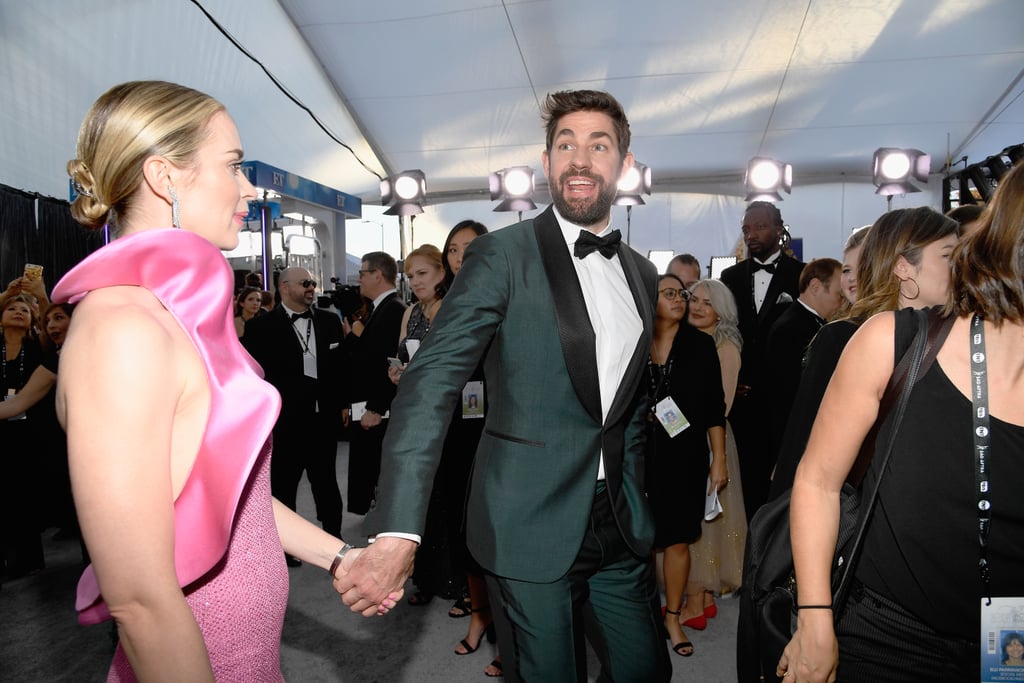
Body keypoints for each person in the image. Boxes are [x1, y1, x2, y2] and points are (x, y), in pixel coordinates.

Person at [51, 80, 392, 681]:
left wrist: (340, 557)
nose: (251, 188)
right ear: (166, 177)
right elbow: (139, 600)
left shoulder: (174, 315)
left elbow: (236, 499)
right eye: (234, 166)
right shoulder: (122, 329)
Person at [337, 89, 672, 682]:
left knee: (646, 671)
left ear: (624, 163)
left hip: (617, 521)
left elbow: (630, 403)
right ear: (546, 164)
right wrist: (396, 526)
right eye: (565, 144)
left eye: (599, 145)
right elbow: (430, 384)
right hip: (526, 518)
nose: (579, 158)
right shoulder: (502, 255)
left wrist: (636, 488)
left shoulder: (642, 273)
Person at [778, 164, 1024, 682]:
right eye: (946, 256)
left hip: (1004, 633)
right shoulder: (873, 340)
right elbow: (810, 471)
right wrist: (814, 611)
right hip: (890, 616)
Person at [766, 208, 960, 500]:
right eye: (949, 256)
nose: (962, 267)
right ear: (903, 267)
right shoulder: (842, 337)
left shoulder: (955, 339)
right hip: (858, 527)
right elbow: (803, 450)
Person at [646, 273, 727, 657]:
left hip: (686, 455)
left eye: (682, 293)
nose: (680, 299)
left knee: (678, 539)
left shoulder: (700, 345)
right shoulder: (634, 342)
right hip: (637, 456)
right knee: (637, 540)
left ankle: (673, 617)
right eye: (669, 293)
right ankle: (639, 617)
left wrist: (719, 460)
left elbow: (715, 408)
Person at [243, 267, 346, 551]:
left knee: (326, 483)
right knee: (283, 486)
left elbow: (341, 369)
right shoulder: (260, 327)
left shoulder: (329, 321)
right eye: (305, 283)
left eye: (313, 282)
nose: (311, 287)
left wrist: (343, 404)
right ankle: (286, 548)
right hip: (285, 422)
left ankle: (335, 541)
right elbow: (252, 377)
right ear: (285, 287)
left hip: (322, 419)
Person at [719, 201, 804, 521]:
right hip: (741, 399)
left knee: (782, 483)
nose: (751, 235)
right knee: (744, 482)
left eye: (759, 227)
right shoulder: (730, 276)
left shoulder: (800, 275)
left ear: (779, 229)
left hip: (784, 400)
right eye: (745, 229)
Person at [683, 278, 747, 625]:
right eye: (693, 299)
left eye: (707, 303)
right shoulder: (696, 340)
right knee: (704, 519)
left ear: (720, 311)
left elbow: (717, 405)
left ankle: (695, 602)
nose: (697, 306)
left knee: (705, 521)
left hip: (712, 440)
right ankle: (702, 598)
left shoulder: (724, 346)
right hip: (698, 435)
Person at [342, 251, 406, 515]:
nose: (359, 280)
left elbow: (389, 364)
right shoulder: (382, 309)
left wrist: (376, 408)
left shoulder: (393, 310)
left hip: (377, 411)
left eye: (363, 274)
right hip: (368, 407)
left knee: (378, 473)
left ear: (377, 275)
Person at [763, 257, 843, 462]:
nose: (841, 302)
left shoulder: (806, 323)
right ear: (815, 286)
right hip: (796, 441)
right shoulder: (790, 329)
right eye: (838, 295)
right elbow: (787, 396)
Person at [0, 292, 48, 578]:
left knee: (25, 495)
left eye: (24, 310)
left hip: (30, 432)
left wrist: (38, 298)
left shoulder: (35, 347)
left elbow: (46, 317)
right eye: (11, 309)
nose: (18, 312)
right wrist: (5, 295)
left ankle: (29, 559)